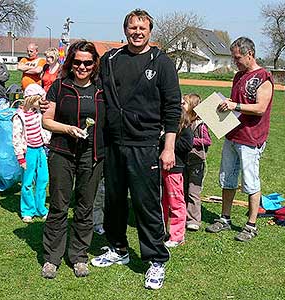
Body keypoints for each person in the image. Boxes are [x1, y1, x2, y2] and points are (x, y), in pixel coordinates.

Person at [90, 9, 181, 290]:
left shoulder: (161, 62)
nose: (137, 32)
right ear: (125, 30)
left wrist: (169, 148)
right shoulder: (111, 59)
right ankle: (118, 249)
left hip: (145, 145)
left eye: (142, 28)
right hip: (114, 142)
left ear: (150, 31)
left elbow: (172, 108)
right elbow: (90, 87)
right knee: (114, 201)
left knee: (146, 203)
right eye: (132, 27)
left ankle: (156, 260)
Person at [41, 40, 105, 279]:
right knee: (58, 205)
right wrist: (68, 129)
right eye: (77, 62)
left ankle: (78, 256)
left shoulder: (102, 89)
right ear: (70, 62)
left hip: (93, 154)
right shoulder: (59, 87)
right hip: (62, 152)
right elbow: (46, 121)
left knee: (85, 207)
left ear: (94, 64)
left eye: (87, 62)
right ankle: (52, 257)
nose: (82, 67)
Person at [206, 37, 273, 242]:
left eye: (237, 58)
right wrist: (226, 104)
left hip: (251, 139)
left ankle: (251, 226)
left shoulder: (264, 77)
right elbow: (237, 101)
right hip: (232, 135)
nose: (235, 62)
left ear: (249, 54)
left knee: (251, 183)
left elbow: (260, 108)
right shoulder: (238, 76)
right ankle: (224, 218)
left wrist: (234, 106)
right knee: (227, 179)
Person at [12, 84, 50, 223]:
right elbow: (16, 138)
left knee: (42, 179)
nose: (41, 103)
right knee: (27, 182)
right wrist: (20, 158)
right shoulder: (19, 117)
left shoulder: (39, 113)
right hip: (28, 152)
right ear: (31, 99)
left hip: (41, 150)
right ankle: (28, 210)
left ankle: (41, 208)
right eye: (39, 100)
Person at [161, 109, 193, 248]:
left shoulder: (185, 130)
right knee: (162, 202)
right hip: (162, 170)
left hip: (174, 171)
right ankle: (161, 230)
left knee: (176, 203)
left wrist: (165, 140)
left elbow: (186, 146)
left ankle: (177, 235)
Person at [182, 93, 212, 232]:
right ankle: (182, 217)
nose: (182, 104)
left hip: (196, 162)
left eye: (185, 103)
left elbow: (207, 141)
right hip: (183, 161)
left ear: (193, 107)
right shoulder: (183, 121)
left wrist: (190, 141)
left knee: (193, 191)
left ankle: (194, 220)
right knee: (182, 189)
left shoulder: (200, 125)